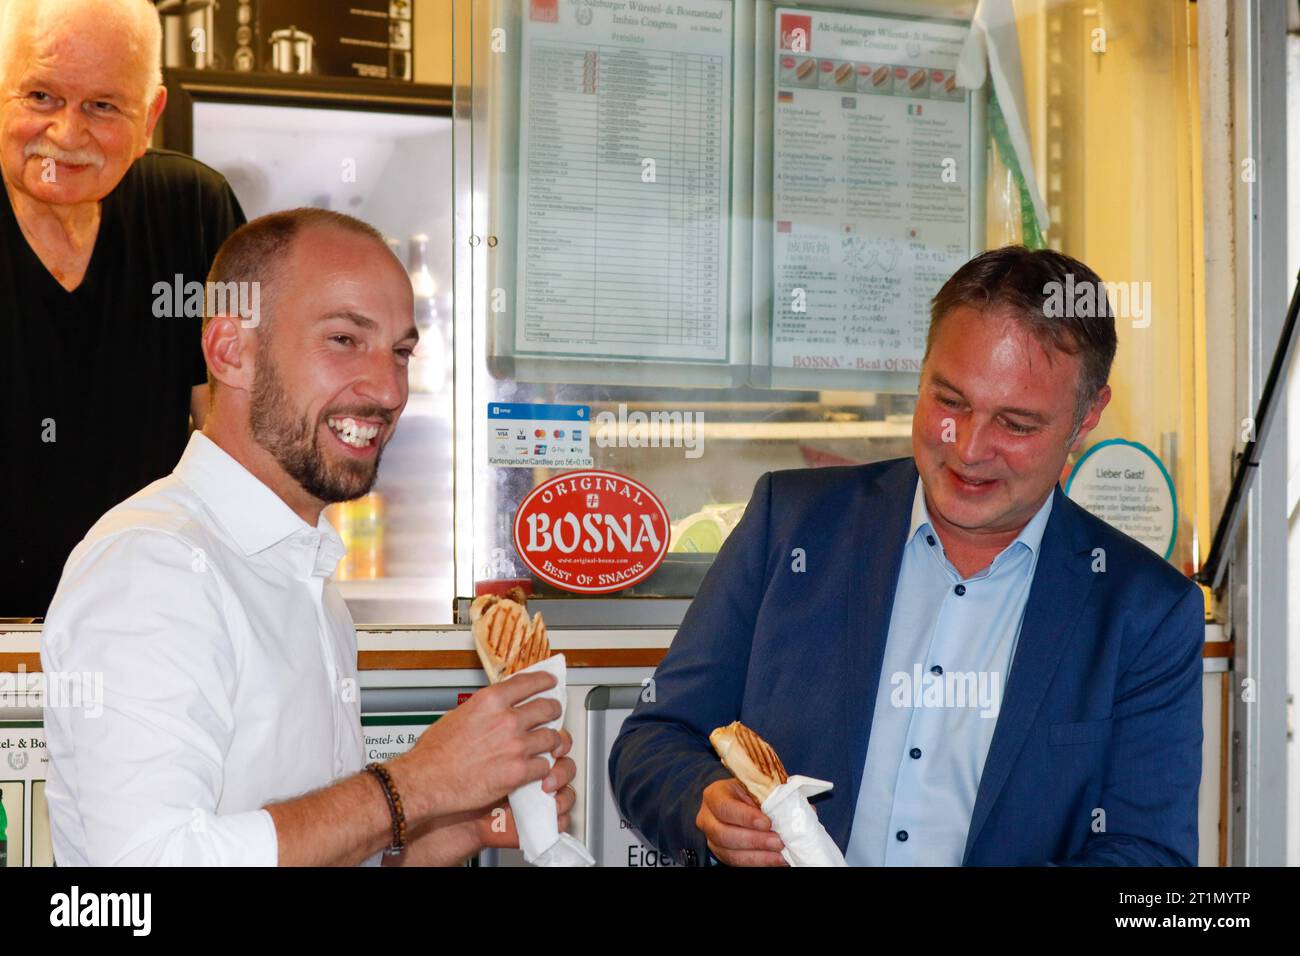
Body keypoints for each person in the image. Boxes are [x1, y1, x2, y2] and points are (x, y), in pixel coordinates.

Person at [610, 246, 1204, 866]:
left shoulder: (1145, 612)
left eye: (1017, 425)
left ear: (1086, 419)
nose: (969, 449)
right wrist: (703, 805)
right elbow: (654, 739)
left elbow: (1148, 860)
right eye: (949, 402)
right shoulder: (789, 525)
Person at [41, 207, 577, 866]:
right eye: (345, 340)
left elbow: (303, 847)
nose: (387, 389)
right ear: (231, 351)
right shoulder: (152, 564)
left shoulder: (308, 580)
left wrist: (448, 828)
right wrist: (418, 784)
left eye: (401, 352)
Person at [0, 0, 245, 616]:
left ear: (150, 117)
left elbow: (240, 442)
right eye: (40, 96)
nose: (66, 134)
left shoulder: (192, 210)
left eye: (103, 106)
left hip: (147, 626)